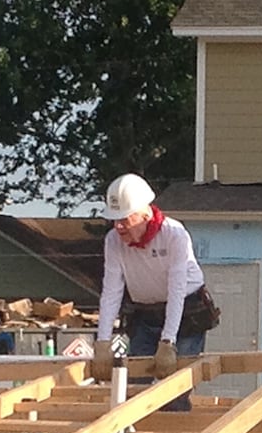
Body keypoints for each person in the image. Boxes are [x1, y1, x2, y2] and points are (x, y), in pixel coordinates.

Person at [90, 173, 219, 412]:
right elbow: (111, 292)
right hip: (145, 314)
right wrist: (103, 342)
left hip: (186, 313)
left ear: (144, 213)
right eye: (114, 220)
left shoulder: (174, 235)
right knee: (135, 388)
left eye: (124, 219)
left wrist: (168, 341)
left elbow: (177, 290)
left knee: (175, 389)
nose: (118, 226)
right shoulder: (113, 241)